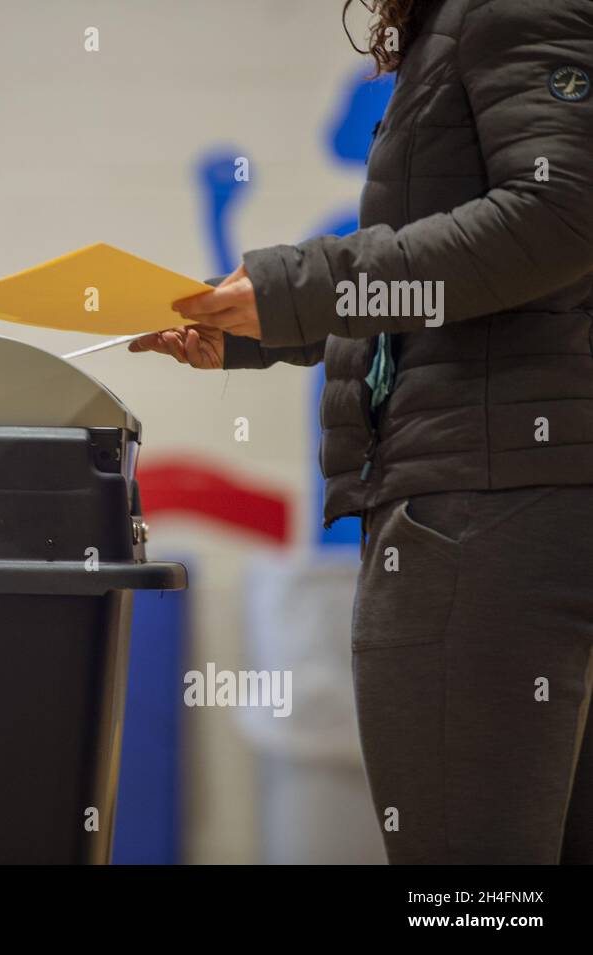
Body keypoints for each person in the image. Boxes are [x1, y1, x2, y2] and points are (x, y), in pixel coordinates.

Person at [132, 0, 593, 864]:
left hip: (482, 510)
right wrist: (264, 322)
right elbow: (476, 283)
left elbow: (557, 215)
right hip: (521, 501)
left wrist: (300, 288)